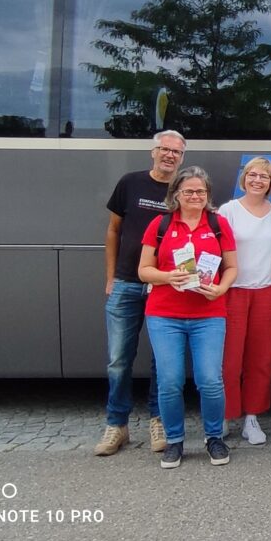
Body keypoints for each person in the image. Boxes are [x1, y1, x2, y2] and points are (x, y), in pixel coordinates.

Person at [139, 166, 238, 469]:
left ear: (208, 195)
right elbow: (144, 270)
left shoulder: (218, 224)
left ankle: (213, 438)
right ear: (177, 195)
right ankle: (174, 441)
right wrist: (169, 276)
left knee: (210, 380)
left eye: (200, 191)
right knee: (169, 382)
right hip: (164, 315)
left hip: (209, 314)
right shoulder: (160, 223)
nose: (195, 196)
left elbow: (232, 268)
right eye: (189, 191)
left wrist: (220, 288)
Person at [95, 130, 185, 457]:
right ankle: (116, 425)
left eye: (176, 151)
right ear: (153, 152)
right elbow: (113, 231)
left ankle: (157, 420)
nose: (169, 155)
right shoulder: (130, 182)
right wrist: (111, 278)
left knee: (163, 360)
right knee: (119, 360)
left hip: (165, 285)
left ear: (182, 157)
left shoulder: (183, 190)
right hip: (127, 283)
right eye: (164, 149)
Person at [217, 157, 271, 445]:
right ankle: (224, 415)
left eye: (265, 177)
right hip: (233, 291)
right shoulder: (228, 210)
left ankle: (252, 417)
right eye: (253, 175)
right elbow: (216, 251)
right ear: (243, 179)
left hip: (267, 292)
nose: (258, 180)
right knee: (229, 360)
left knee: (261, 359)